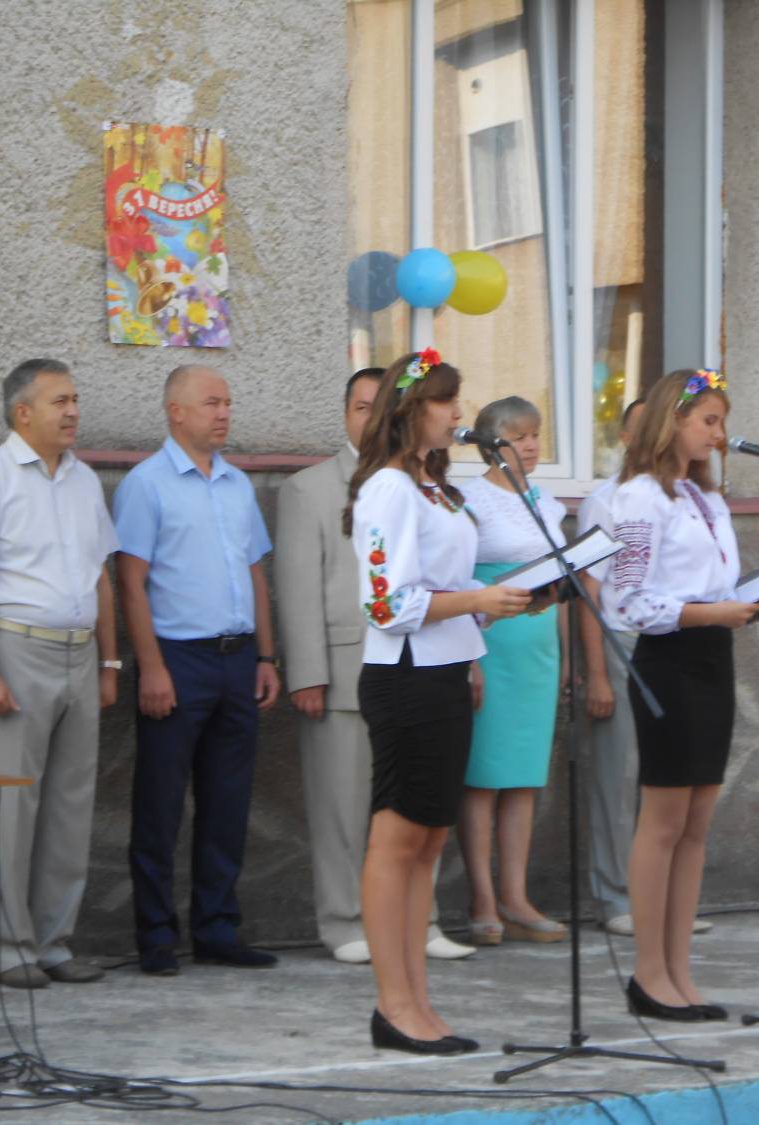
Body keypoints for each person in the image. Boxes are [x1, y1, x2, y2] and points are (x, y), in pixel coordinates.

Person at [601, 368, 759, 1022]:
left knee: (695, 826)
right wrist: (709, 613)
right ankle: (648, 973)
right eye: (709, 422)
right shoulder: (640, 498)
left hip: (714, 657)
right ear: (674, 421)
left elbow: (717, 590)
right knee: (663, 822)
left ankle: (679, 970)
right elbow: (626, 601)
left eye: (721, 422)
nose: (719, 435)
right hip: (669, 662)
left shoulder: (705, 497)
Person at [343, 348, 533, 1054]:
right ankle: (392, 1006)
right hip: (405, 678)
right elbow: (387, 603)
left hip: (448, 671)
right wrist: (478, 600)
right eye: (445, 401)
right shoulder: (389, 487)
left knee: (427, 842)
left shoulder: (435, 487)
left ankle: (418, 1000)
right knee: (397, 840)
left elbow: (446, 585)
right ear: (410, 410)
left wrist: (498, 604)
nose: (457, 413)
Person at [275, 368, 473, 965]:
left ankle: (422, 917)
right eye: (359, 407)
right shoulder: (313, 488)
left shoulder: (429, 484)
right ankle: (343, 921)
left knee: (415, 806)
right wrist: (306, 672)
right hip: (347, 664)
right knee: (343, 806)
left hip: (428, 659)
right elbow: (298, 585)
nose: (368, 416)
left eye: (374, 405)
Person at [0, 358, 119, 989]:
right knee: (11, 807)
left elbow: (101, 578)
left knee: (71, 807)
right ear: (23, 413)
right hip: (17, 653)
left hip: (80, 655)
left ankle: (52, 942)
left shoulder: (83, 480)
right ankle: (5, 948)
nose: (73, 411)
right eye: (59, 401)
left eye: (75, 399)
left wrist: (109, 662)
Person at [113, 366, 282, 974]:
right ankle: (157, 936)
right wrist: (151, 667)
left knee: (227, 803)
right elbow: (130, 582)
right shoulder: (146, 485)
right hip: (177, 659)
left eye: (228, 403)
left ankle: (217, 929)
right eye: (211, 402)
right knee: (160, 804)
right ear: (176, 411)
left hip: (238, 659)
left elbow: (255, 573)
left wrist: (266, 656)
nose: (224, 413)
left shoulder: (237, 485)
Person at [580, 399, 714, 937]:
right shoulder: (607, 500)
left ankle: (665, 900)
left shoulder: (688, 497)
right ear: (627, 439)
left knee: (671, 777)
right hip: (624, 642)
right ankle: (616, 897)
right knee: (621, 776)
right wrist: (596, 673)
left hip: (676, 646)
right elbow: (590, 591)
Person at [456, 397, 568, 946]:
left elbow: (562, 582)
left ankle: (516, 896)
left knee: (523, 777)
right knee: (482, 778)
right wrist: (469, 658)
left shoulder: (547, 503)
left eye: (535, 435)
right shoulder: (467, 499)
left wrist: (564, 653)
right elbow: (458, 580)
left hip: (537, 652)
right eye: (518, 436)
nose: (530, 445)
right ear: (491, 444)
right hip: (490, 646)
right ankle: (482, 898)